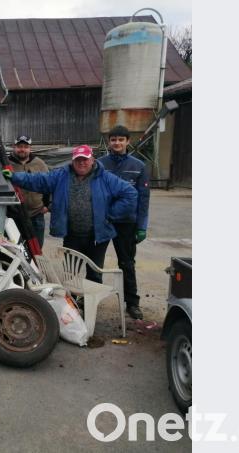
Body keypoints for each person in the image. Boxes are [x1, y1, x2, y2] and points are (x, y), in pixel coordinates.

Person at [6, 145, 137, 283]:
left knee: (94, 273)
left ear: (92, 159)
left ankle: (89, 302)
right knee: (70, 273)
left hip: (98, 236)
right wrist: (14, 177)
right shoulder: (61, 175)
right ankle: (73, 302)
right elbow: (38, 180)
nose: (81, 163)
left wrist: (110, 214)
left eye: (85, 159)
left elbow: (130, 194)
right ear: (72, 161)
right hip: (72, 235)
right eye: (78, 160)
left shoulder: (105, 177)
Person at [98, 125, 151, 320]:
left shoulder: (138, 166)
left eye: (121, 140)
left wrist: (141, 226)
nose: (117, 143)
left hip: (127, 224)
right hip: (103, 221)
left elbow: (143, 199)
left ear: (128, 142)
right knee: (95, 262)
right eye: (114, 140)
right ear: (109, 142)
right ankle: (87, 299)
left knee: (127, 263)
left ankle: (133, 303)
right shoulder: (99, 164)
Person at [8, 134, 50, 248]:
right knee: (15, 249)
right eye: (19, 146)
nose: (22, 149)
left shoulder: (39, 163)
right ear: (14, 147)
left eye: (25, 147)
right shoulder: (6, 164)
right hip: (14, 216)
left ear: (30, 148)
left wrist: (48, 205)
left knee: (36, 249)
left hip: (36, 215)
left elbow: (49, 185)